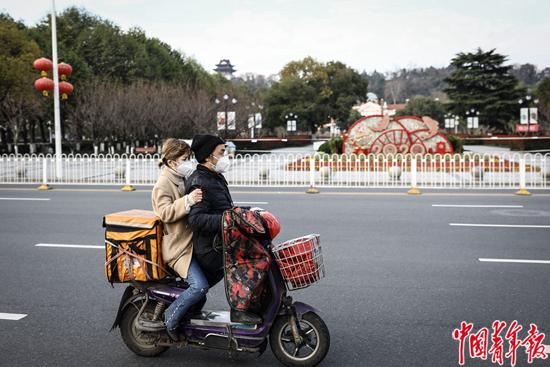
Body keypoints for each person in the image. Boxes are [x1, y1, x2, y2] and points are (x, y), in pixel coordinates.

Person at [186, 134, 262, 324]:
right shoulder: (199, 181)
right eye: (221, 152)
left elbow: (225, 209)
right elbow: (196, 219)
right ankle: (239, 309)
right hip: (210, 247)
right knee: (249, 260)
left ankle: (253, 303)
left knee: (261, 249)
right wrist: (229, 220)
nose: (226, 156)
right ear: (207, 156)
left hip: (221, 241)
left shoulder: (214, 177)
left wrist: (248, 212)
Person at [151, 138, 208, 342]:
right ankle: (170, 318)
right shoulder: (163, 183)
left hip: (192, 243)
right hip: (178, 248)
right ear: (172, 161)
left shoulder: (183, 177)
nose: (188, 162)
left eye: (189, 158)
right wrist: (188, 201)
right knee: (199, 287)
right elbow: (164, 212)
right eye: (184, 159)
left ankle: (189, 319)